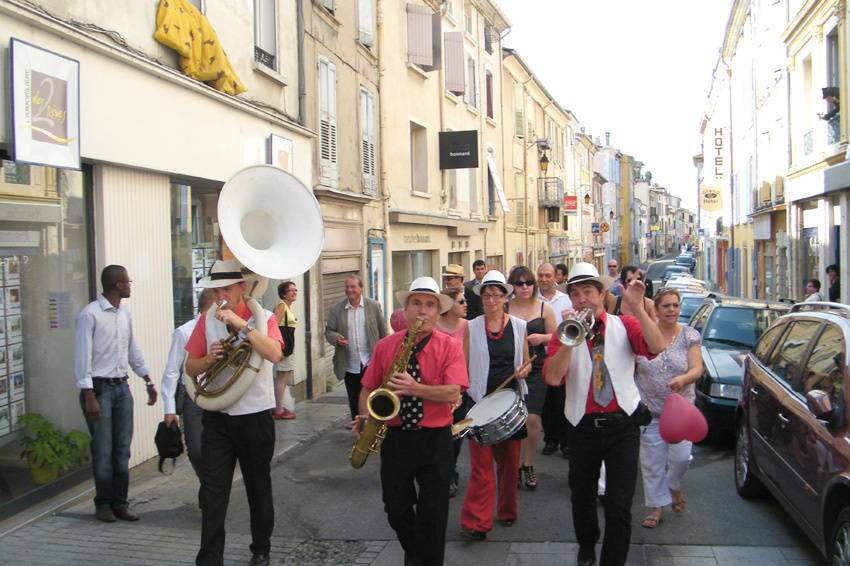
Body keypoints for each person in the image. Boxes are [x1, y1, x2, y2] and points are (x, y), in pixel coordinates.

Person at [544, 262, 663, 566]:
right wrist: (571, 341)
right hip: (581, 426)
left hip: (622, 426)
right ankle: (586, 545)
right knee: (581, 499)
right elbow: (553, 378)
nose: (582, 299)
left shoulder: (626, 324)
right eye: (575, 294)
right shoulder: (564, 334)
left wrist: (638, 309)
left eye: (588, 292)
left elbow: (656, 345)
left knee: (619, 506)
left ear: (601, 295)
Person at [354, 277, 467, 566]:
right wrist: (366, 415)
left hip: (435, 438)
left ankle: (425, 560)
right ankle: (417, 552)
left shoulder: (450, 347)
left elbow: (453, 391)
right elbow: (368, 387)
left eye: (430, 305)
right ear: (405, 310)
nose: (423, 311)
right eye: (416, 303)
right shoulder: (385, 346)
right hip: (396, 438)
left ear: (438, 312)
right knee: (395, 509)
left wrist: (415, 388)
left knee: (434, 514)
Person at [184, 259, 284, 566]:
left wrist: (242, 325)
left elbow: (274, 353)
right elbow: (190, 366)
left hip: (255, 416)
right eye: (215, 291)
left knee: (258, 486)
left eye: (226, 289)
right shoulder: (207, 320)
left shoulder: (264, 316)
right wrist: (209, 361)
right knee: (213, 491)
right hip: (219, 418)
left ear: (242, 287)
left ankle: (261, 549)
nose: (220, 297)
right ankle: (210, 558)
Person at [75, 265, 158, 523]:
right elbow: (82, 357)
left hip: (122, 388)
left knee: (122, 450)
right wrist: (88, 395)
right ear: (117, 285)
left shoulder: (124, 315)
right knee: (103, 450)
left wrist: (147, 379)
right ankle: (103, 504)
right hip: (99, 390)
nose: (130, 285)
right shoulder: (90, 315)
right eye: (127, 281)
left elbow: (133, 351)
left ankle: (120, 502)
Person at [461, 270, 530, 539]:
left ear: (505, 297)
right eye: (486, 295)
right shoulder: (471, 326)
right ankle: (477, 522)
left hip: (510, 403)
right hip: (479, 404)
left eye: (496, 294)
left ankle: (507, 511)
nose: (490, 299)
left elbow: (524, 362)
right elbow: (464, 365)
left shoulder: (520, 326)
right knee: (481, 468)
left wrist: (523, 371)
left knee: (509, 464)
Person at [635, 288, 703, 530]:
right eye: (666, 306)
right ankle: (656, 507)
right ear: (657, 309)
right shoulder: (642, 335)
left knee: (681, 459)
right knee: (652, 463)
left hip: (680, 414)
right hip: (650, 411)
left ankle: (673, 485)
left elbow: (697, 368)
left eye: (675, 305)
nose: (672, 310)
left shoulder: (689, 335)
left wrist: (684, 379)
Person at [507, 266, 555, 490]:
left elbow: (558, 336)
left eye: (528, 283)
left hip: (536, 369)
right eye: (519, 283)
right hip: (511, 368)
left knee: (533, 418)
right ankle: (513, 465)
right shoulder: (505, 307)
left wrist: (543, 337)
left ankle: (528, 463)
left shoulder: (545, 308)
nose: (524, 287)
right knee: (513, 419)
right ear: (512, 286)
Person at [162, 288, 217, 479]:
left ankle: (212, 490)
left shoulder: (222, 330)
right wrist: (169, 409)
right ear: (210, 308)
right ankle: (207, 486)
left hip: (219, 395)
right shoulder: (184, 332)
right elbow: (171, 372)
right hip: (194, 397)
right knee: (196, 450)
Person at [325, 275, 388, 420]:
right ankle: (359, 433)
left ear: (361, 288)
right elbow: (328, 331)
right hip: (349, 363)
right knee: (354, 400)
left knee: (372, 397)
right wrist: (335, 338)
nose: (349, 290)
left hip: (370, 361)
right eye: (347, 287)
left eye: (353, 287)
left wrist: (386, 358)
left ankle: (373, 429)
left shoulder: (373, 306)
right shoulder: (337, 309)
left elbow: (383, 332)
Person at [536, 263, 573, 458]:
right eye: (540, 275)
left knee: (564, 401)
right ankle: (550, 439)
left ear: (555, 277)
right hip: (541, 356)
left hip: (563, 354)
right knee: (548, 402)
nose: (543, 279)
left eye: (547, 275)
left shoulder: (566, 300)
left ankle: (566, 442)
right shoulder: (533, 300)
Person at [437, 287, 470, 498]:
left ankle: (451, 471)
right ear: (448, 306)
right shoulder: (435, 327)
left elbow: (466, 361)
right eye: (461, 301)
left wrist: (459, 391)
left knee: (456, 436)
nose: (466, 304)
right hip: (437, 391)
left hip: (459, 390)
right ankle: (444, 475)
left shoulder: (467, 326)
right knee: (440, 436)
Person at [273, 281, 298, 420]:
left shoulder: (288, 307)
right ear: (284, 294)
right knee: (281, 378)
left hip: (287, 348)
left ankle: (280, 406)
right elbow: (274, 326)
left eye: (295, 290)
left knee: (284, 377)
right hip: (284, 349)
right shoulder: (282, 306)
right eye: (291, 291)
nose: (294, 293)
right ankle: (278, 410)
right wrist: (278, 348)